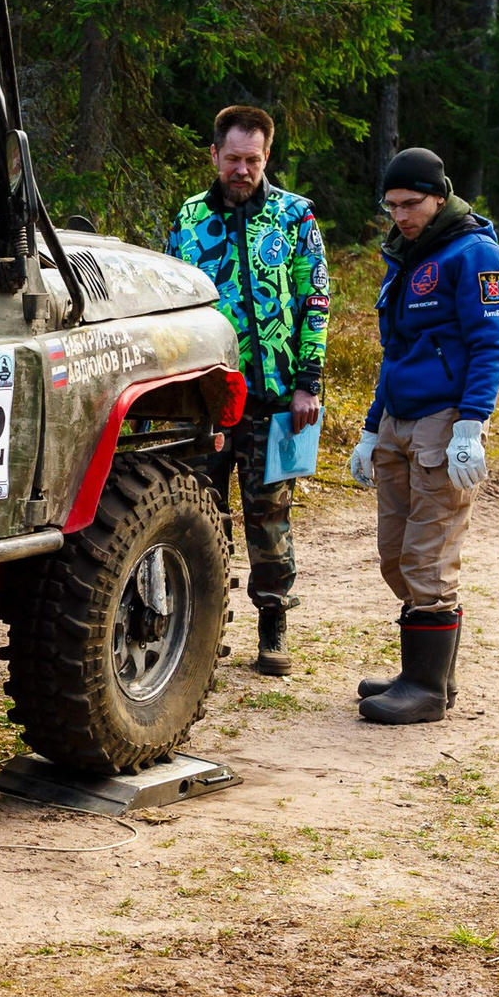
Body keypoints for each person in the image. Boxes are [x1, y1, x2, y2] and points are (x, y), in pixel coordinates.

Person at [348, 147, 499, 725]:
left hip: (445, 419)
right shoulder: (408, 255)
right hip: (398, 417)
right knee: (394, 555)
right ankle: (428, 672)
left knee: (428, 556)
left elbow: (490, 345)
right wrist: (372, 429)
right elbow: (397, 352)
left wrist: (472, 424)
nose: (400, 215)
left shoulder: (476, 255)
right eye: (391, 206)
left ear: (439, 195)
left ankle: (426, 688)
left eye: (410, 204)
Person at [165, 105, 330, 676]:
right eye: (232, 159)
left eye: (253, 160)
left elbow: (316, 303)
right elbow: (171, 304)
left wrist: (309, 383)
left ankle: (273, 627)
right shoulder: (187, 218)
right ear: (214, 155)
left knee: (269, 516)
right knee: (198, 516)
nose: (242, 170)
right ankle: (202, 633)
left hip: (276, 399)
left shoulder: (295, 217)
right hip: (205, 401)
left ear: (267, 158)